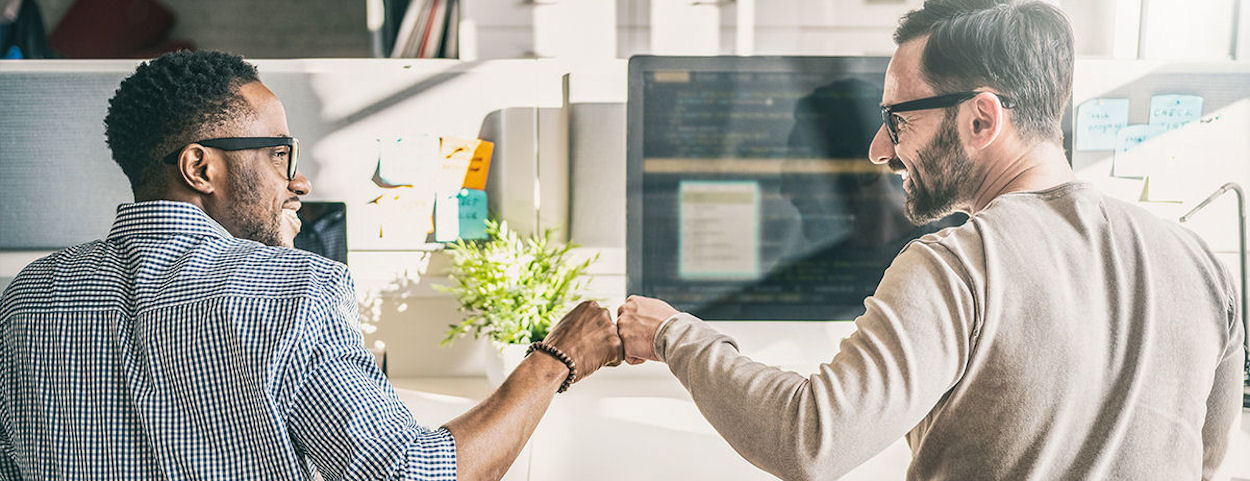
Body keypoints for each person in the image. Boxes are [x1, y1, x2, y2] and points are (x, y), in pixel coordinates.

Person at [612, 0, 1245, 479]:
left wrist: (673, 335)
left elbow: (809, 438)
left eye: (898, 118)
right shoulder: (1202, 267)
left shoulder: (959, 267)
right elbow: (1205, 457)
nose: (880, 148)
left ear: (981, 117)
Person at [0, 50, 623, 480]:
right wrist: (554, 360)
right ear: (200, 167)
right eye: (276, 155)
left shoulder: (26, 296)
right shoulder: (294, 289)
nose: (296, 179)